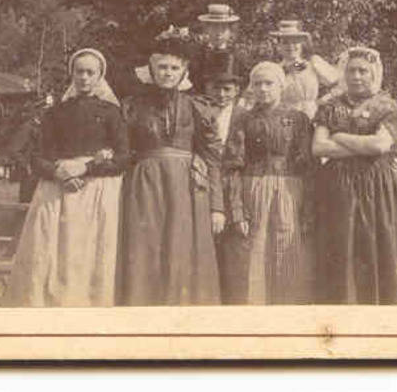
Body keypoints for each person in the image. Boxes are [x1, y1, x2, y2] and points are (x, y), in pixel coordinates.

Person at [5, 48, 128, 307]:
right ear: (72, 74)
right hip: (58, 189)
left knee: (88, 251)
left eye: (90, 72)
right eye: (79, 71)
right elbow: (39, 157)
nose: (84, 77)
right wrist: (58, 173)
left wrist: (86, 168)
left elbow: (122, 159)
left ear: (100, 75)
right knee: (53, 251)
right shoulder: (56, 113)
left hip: (96, 190)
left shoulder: (111, 112)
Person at [116, 27, 226, 305]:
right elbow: (123, 152)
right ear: (151, 69)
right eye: (162, 67)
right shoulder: (132, 106)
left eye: (174, 68)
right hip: (144, 186)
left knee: (184, 249)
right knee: (146, 247)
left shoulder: (196, 106)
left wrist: (217, 206)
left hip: (187, 189)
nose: (167, 73)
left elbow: (212, 157)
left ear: (183, 71)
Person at [311, 46, 397, 304]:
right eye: (351, 71)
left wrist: (340, 136)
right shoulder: (330, 106)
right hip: (338, 188)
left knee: (377, 242)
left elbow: (380, 145)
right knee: (342, 245)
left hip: (376, 188)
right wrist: (363, 145)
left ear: (374, 74)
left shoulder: (386, 106)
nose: (356, 76)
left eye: (363, 71)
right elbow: (318, 147)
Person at [223, 61, 315, 304]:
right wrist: (237, 209)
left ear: (281, 86)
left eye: (269, 83)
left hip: (290, 188)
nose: (263, 89)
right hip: (254, 186)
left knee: (289, 246)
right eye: (257, 84)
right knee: (256, 247)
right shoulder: (243, 119)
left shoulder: (299, 119)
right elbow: (233, 165)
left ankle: (288, 308)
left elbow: (308, 167)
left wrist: (308, 208)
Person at [191, 49, 246, 303]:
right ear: (206, 87)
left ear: (237, 89)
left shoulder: (245, 115)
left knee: (236, 249)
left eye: (227, 89)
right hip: (205, 182)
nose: (221, 95)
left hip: (238, 186)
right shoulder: (197, 112)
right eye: (216, 88)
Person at [269, 20, 338, 119]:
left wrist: (321, 101)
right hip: (284, 119)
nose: (290, 46)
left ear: (301, 44)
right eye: (285, 42)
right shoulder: (274, 70)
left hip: (311, 117)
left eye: (295, 41)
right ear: (279, 46)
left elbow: (340, 84)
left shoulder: (312, 64)